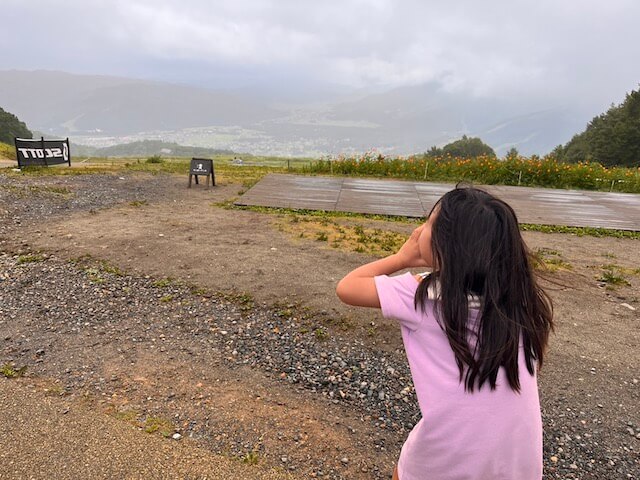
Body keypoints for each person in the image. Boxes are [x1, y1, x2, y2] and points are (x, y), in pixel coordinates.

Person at [336, 185, 553, 480]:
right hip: (518, 461)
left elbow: (347, 287)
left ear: (446, 246)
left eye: (429, 223)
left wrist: (401, 259)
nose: (419, 230)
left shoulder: (423, 295)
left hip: (447, 457)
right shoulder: (520, 301)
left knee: (408, 468)